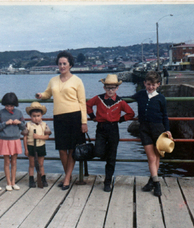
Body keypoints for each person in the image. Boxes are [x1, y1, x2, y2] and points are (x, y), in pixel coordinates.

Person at [35, 51, 88, 191]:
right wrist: (41, 95)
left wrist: (84, 122)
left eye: (65, 63)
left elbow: (82, 102)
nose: (62, 66)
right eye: (60, 63)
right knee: (61, 149)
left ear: (70, 64)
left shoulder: (77, 81)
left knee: (72, 149)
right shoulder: (53, 80)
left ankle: (66, 178)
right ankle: (68, 176)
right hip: (59, 117)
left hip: (74, 116)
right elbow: (48, 93)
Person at [86, 74, 135, 192]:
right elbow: (87, 105)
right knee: (98, 151)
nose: (110, 90)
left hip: (113, 129)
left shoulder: (120, 101)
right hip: (101, 128)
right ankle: (105, 153)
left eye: (113, 88)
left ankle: (107, 181)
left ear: (117, 88)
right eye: (108, 88)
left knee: (112, 158)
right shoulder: (98, 98)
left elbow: (130, 113)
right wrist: (92, 116)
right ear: (104, 88)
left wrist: (120, 120)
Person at [128, 71, 172, 197]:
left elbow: (165, 115)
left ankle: (151, 181)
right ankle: (157, 184)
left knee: (157, 157)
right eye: (148, 84)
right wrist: (112, 97)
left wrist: (167, 129)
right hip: (144, 129)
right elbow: (127, 100)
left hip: (158, 129)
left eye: (153, 85)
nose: (150, 87)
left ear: (158, 84)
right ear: (144, 83)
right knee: (151, 158)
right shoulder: (141, 94)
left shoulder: (161, 98)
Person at [0, 92, 26, 191]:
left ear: (15, 105)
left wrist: (19, 122)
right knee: (7, 161)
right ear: (4, 104)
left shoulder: (19, 113)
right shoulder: (0, 113)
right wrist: (5, 123)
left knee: (14, 161)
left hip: (15, 140)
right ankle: (8, 182)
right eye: (7, 106)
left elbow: (24, 126)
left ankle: (13, 182)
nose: (9, 108)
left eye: (11, 106)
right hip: (5, 140)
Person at [22, 102, 52, 188]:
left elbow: (47, 136)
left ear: (41, 115)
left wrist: (38, 136)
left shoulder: (44, 125)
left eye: (38, 116)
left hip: (41, 146)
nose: (36, 118)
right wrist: (26, 149)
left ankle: (43, 178)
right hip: (31, 146)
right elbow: (25, 137)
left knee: (41, 164)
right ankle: (31, 179)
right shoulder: (27, 125)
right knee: (31, 164)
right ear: (30, 116)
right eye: (34, 116)